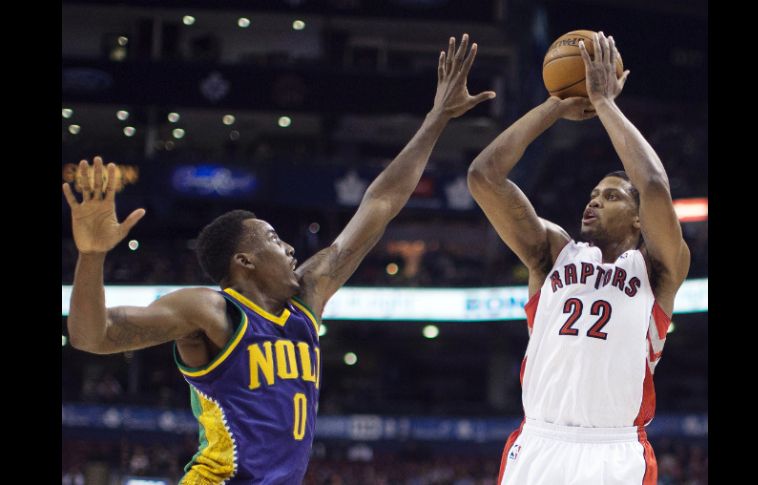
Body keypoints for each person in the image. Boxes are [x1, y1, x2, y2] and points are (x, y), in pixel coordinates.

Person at [63, 34, 495, 485]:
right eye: (273, 239)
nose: (290, 248)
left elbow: (381, 202)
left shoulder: (306, 298)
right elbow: (92, 337)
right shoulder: (211, 311)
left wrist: (436, 118)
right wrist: (91, 257)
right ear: (244, 261)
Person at [467, 32, 689, 484]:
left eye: (610, 196)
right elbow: (483, 176)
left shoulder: (657, 270)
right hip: (540, 444)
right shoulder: (552, 254)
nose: (594, 201)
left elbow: (654, 187)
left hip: (614, 452)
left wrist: (605, 103)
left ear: (638, 221)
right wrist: (555, 106)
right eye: (592, 195)